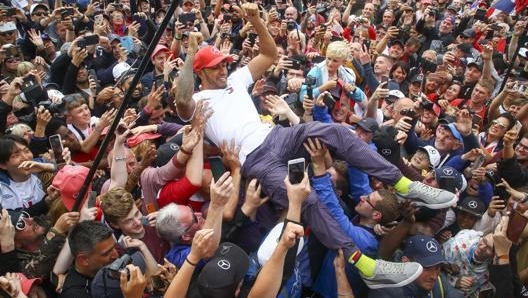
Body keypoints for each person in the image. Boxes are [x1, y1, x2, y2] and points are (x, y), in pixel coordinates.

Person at [174, 3, 457, 288]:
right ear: (201, 73)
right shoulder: (197, 102)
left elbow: (269, 54)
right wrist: (190, 53)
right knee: (306, 201)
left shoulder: (235, 79)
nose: (224, 68)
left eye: (224, 62)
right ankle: (364, 263)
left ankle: (404, 184)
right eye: (215, 66)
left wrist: (256, 20)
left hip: (276, 136)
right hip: (254, 161)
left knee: (337, 133)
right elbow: (182, 97)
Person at [369, 235, 464, 297]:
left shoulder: (440, 281)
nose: (434, 276)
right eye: (426, 268)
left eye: (437, 268)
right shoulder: (385, 289)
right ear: (406, 262)